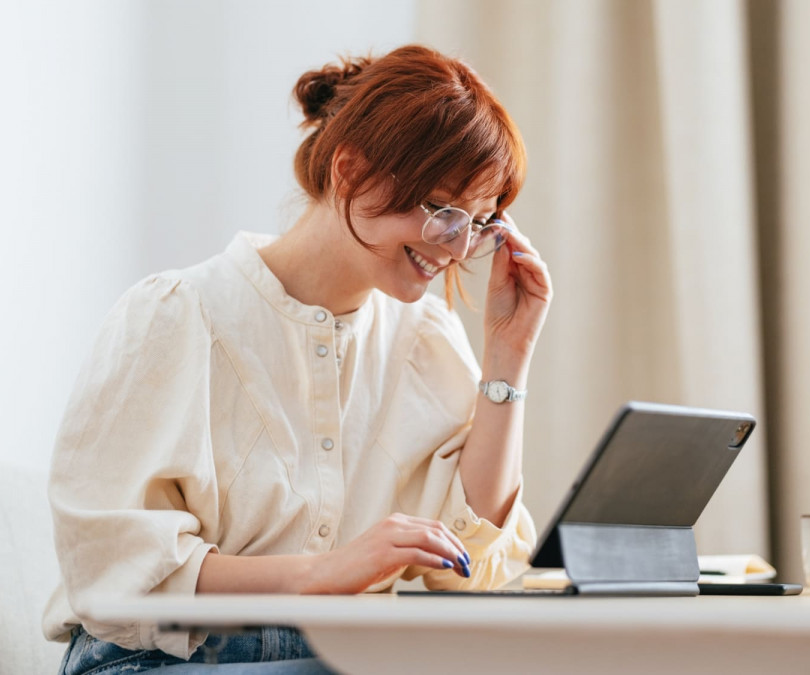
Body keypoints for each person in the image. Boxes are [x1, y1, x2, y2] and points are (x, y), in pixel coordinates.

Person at [42, 44, 551, 674]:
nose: (457, 246)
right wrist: (323, 572)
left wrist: (508, 353)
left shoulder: (423, 337)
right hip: (157, 661)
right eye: (444, 211)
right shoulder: (179, 314)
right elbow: (112, 574)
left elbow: (478, 567)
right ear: (350, 170)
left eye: (477, 223)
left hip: (341, 659)